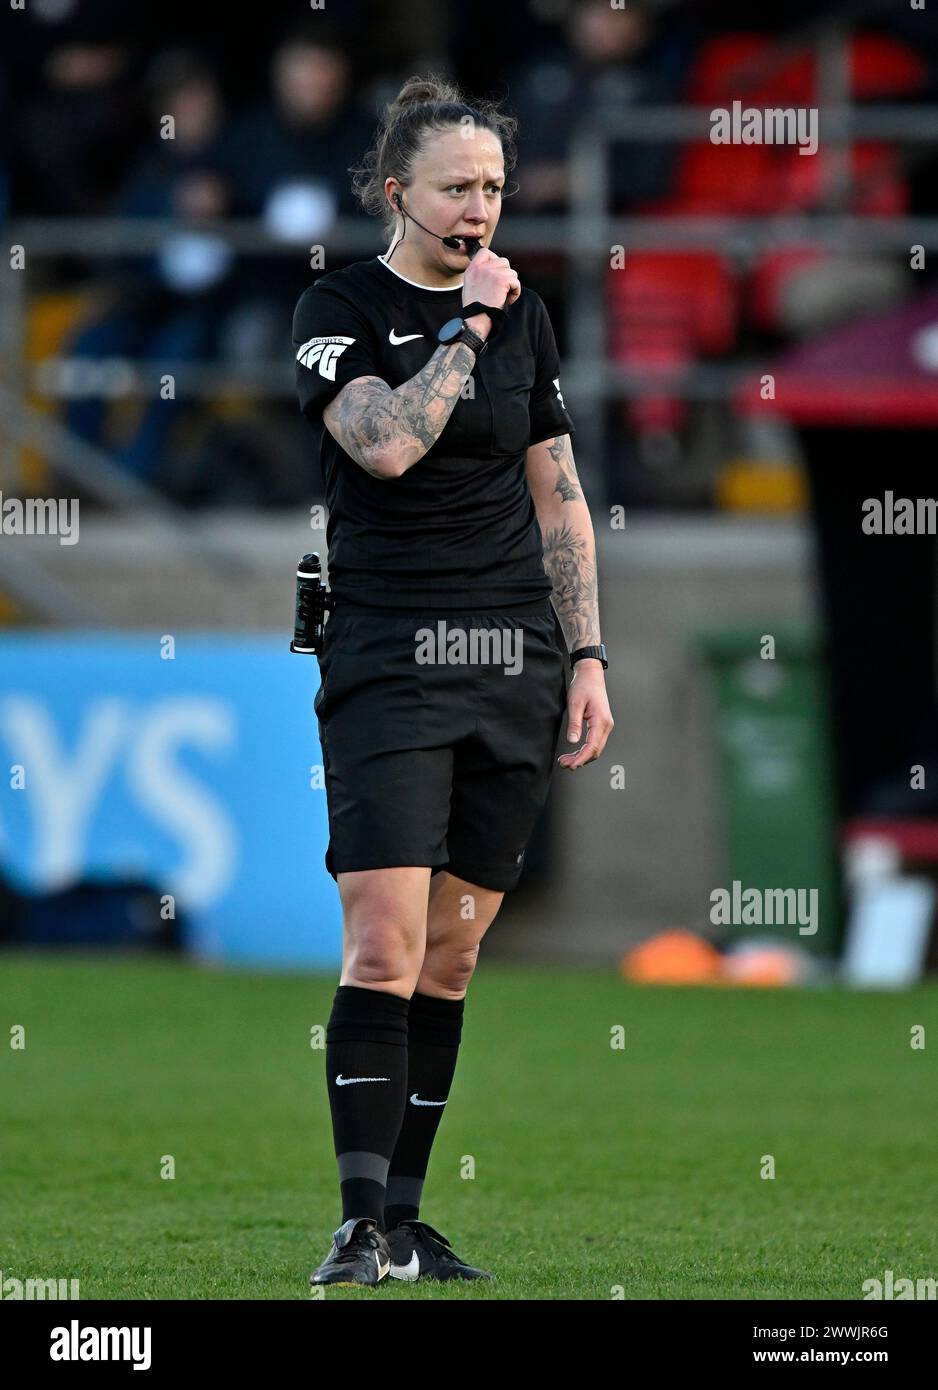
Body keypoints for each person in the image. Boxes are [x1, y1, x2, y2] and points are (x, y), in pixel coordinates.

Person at [292, 74, 614, 1288]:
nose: (479, 209)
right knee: (382, 941)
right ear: (397, 193)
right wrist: (464, 327)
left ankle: (411, 1223)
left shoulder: (526, 315)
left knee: (454, 956)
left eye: (492, 186)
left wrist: (585, 655)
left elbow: (558, 494)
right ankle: (355, 1223)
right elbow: (382, 446)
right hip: (385, 651)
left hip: (511, 658)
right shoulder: (340, 305)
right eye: (455, 189)